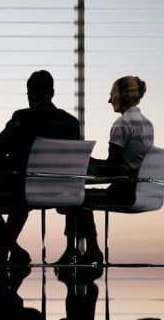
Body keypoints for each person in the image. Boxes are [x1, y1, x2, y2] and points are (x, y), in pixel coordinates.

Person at [0, 70, 81, 265]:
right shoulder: (71, 123)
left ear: (30, 94)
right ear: (52, 93)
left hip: (24, 190)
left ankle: (10, 249)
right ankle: (8, 250)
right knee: (20, 198)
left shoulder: (23, 118)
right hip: (62, 192)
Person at [57, 75, 153, 265]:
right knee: (78, 197)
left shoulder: (122, 124)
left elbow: (113, 167)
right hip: (141, 188)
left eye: (112, 95)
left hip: (123, 190)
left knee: (72, 197)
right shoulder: (146, 124)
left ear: (123, 97)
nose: (110, 101)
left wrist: (86, 162)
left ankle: (81, 250)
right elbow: (126, 162)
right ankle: (86, 250)